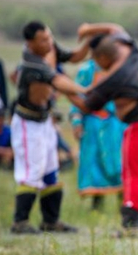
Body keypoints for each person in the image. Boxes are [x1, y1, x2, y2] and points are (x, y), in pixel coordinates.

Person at [69, 23, 138, 237]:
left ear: (102, 58)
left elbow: (86, 106)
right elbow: (114, 27)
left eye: (97, 60)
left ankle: (130, 228)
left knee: (136, 175)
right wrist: (89, 29)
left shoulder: (112, 79)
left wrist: (61, 87)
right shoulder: (131, 50)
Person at [10, 21, 91, 234]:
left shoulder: (49, 48)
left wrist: (90, 40)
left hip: (44, 120)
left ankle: (50, 221)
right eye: (43, 40)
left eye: (49, 37)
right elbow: (58, 81)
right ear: (30, 43)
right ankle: (20, 222)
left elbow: (73, 57)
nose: (49, 42)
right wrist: (86, 89)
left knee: (50, 169)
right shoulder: (31, 63)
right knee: (31, 171)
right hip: (28, 123)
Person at [69, 59, 127, 210]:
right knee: (94, 163)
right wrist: (77, 121)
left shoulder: (119, 68)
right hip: (93, 123)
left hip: (115, 123)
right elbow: (77, 97)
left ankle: (125, 203)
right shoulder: (87, 70)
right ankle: (97, 204)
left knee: (119, 162)